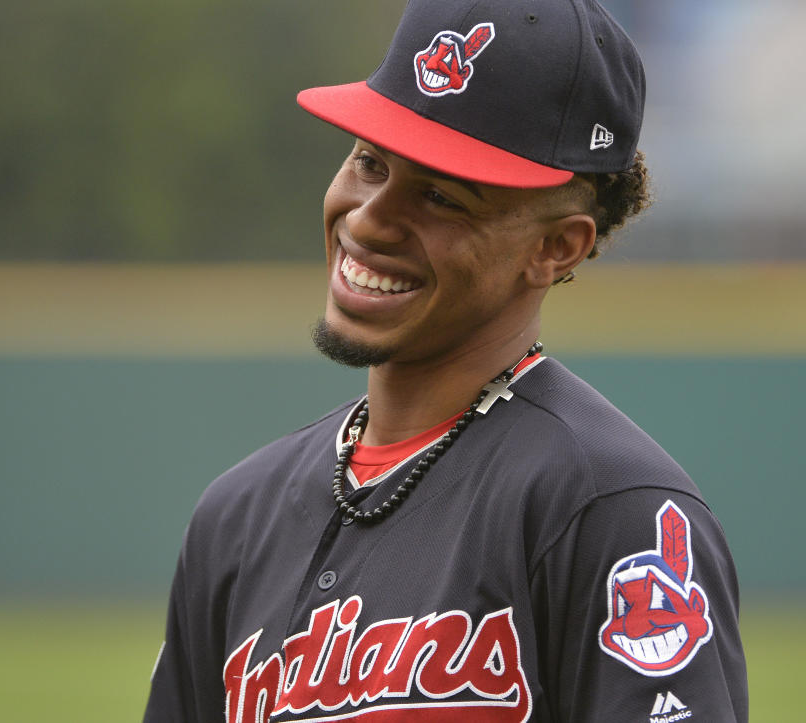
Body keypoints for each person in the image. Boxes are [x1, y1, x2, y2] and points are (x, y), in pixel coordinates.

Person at [143, 0, 748, 720]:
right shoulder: (235, 517)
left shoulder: (610, 512)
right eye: (369, 161)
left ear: (556, 247)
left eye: (439, 196)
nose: (369, 218)